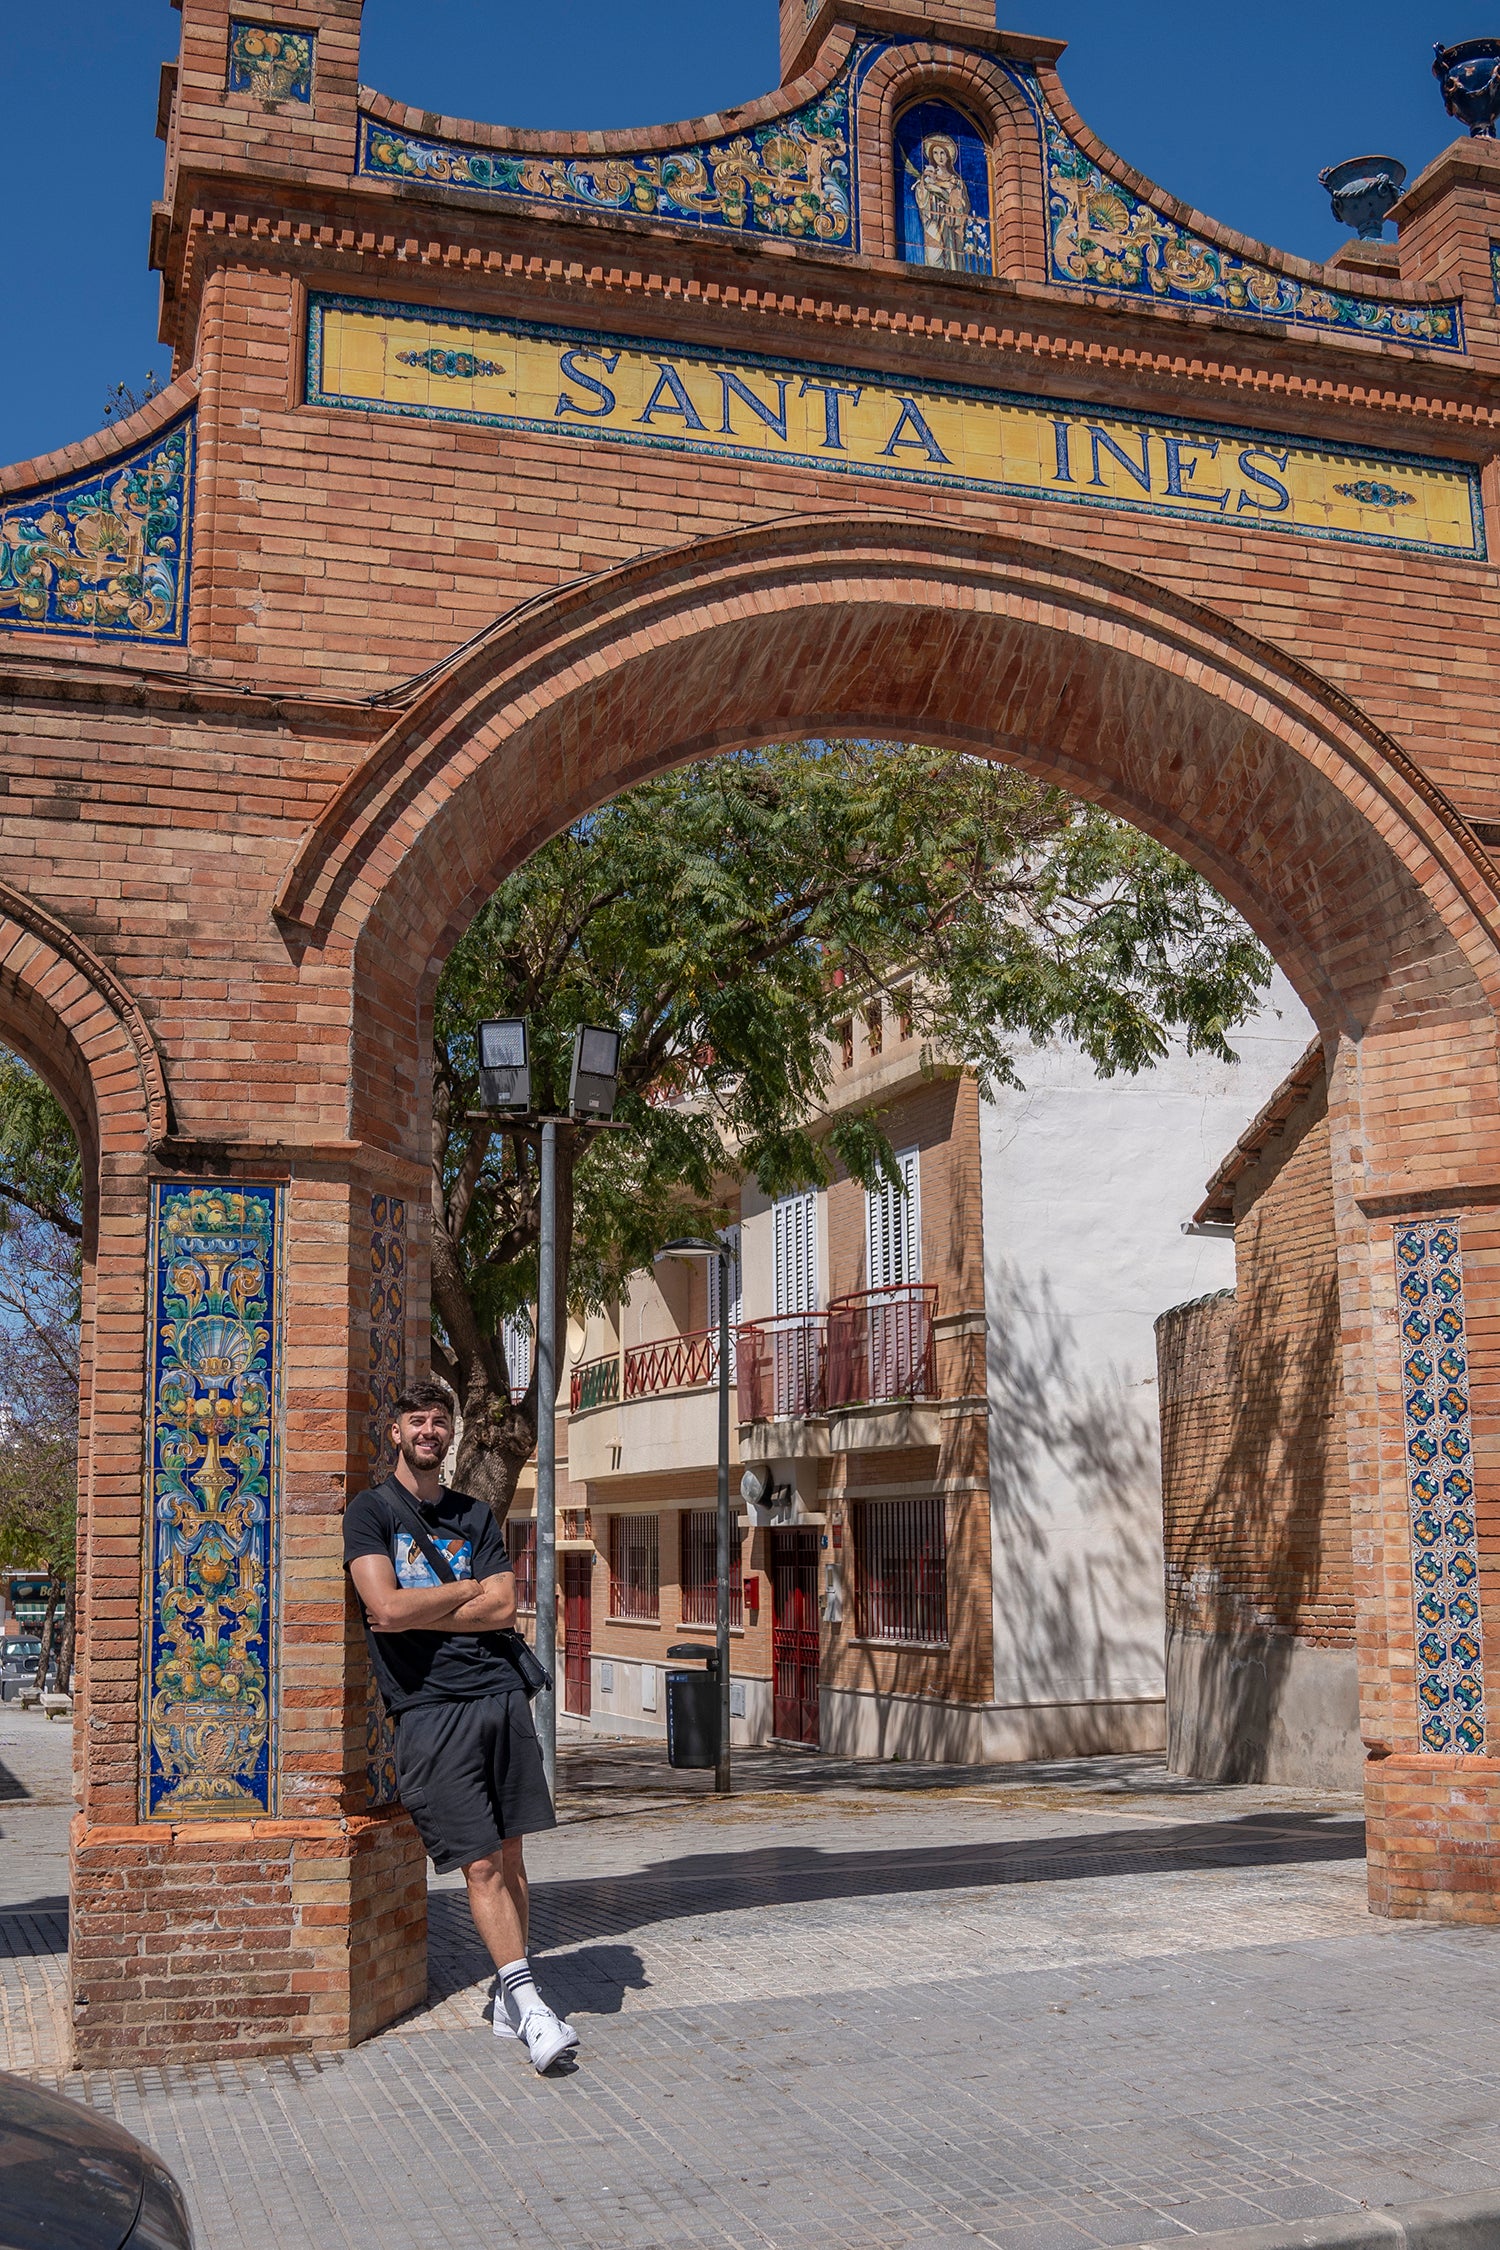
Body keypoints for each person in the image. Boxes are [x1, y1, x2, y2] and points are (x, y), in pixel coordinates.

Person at [344, 1380, 579, 2073]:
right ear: (395, 1433)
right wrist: (463, 1592)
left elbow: (505, 1607)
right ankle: (533, 2008)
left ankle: (513, 1994)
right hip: (428, 1710)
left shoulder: (475, 1516)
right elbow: (383, 1610)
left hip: (499, 1696)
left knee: (509, 1858)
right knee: (476, 1861)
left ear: (450, 1436)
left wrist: (431, 1605)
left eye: (439, 1421)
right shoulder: (371, 1513)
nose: (429, 1431)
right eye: (417, 1420)